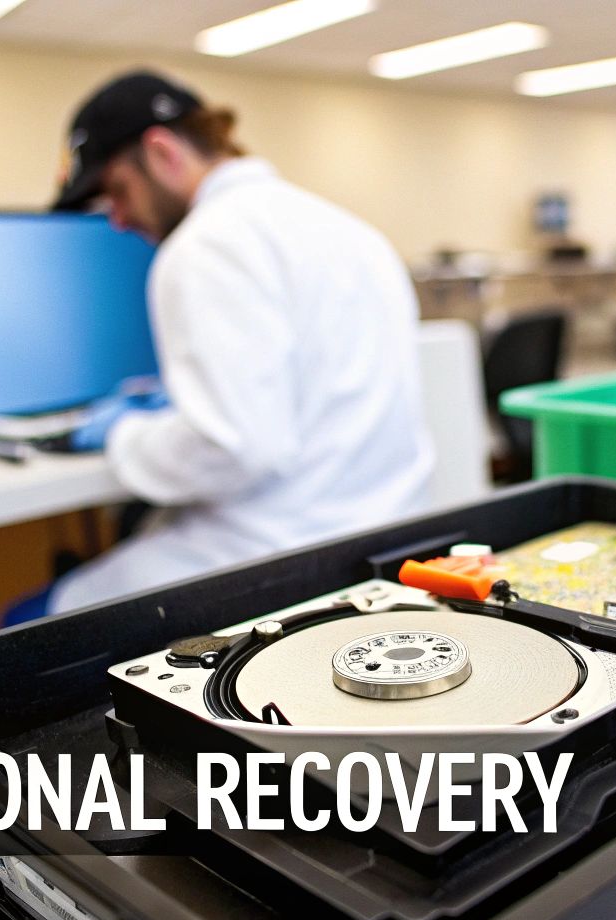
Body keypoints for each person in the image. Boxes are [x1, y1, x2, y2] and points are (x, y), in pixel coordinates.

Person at [40, 70, 434, 615]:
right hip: (387, 543)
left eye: (116, 192)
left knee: (37, 619)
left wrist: (125, 434)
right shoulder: (347, 228)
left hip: (280, 558)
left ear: (161, 153)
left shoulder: (204, 245)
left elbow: (236, 446)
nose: (118, 219)